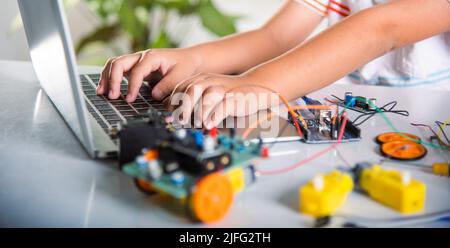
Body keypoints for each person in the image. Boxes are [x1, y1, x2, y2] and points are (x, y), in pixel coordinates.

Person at [97, 0, 450, 129]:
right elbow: (276, 37)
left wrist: (259, 84)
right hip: (349, 124)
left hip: (424, 131)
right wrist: (192, 59)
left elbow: (382, 28)